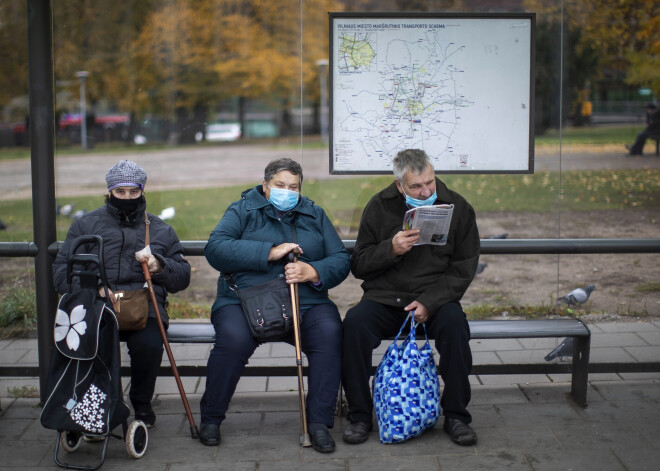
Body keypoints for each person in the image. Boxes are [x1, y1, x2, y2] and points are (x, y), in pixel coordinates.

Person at [199, 158, 350, 453]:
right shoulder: (242, 209)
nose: (287, 191)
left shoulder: (314, 213)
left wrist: (313, 272)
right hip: (243, 300)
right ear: (266, 186)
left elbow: (340, 259)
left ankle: (318, 423)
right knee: (232, 340)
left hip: (304, 301)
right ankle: (211, 418)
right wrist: (268, 252)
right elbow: (215, 249)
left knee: (330, 332)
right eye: (280, 185)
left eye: (294, 187)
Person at [341, 149, 480, 446]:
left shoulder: (458, 206)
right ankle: (360, 416)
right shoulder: (379, 206)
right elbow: (359, 264)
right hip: (385, 298)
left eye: (429, 182)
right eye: (416, 186)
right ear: (398, 185)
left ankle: (456, 415)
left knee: (455, 327)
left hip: (436, 299)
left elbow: (463, 267)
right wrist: (390, 249)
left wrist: (430, 302)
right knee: (354, 325)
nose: (426, 190)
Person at [53, 159, 191, 428]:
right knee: (96, 346)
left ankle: (141, 403)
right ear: (110, 192)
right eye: (120, 192)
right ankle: (100, 403)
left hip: (145, 307)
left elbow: (182, 276)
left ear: (142, 191)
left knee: (149, 345)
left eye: (133, 192)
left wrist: (159, 266)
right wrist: (91, 289)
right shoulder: (84, 226)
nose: (127, 197)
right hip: (97, 307)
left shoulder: (161, 228)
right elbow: (61, 270)